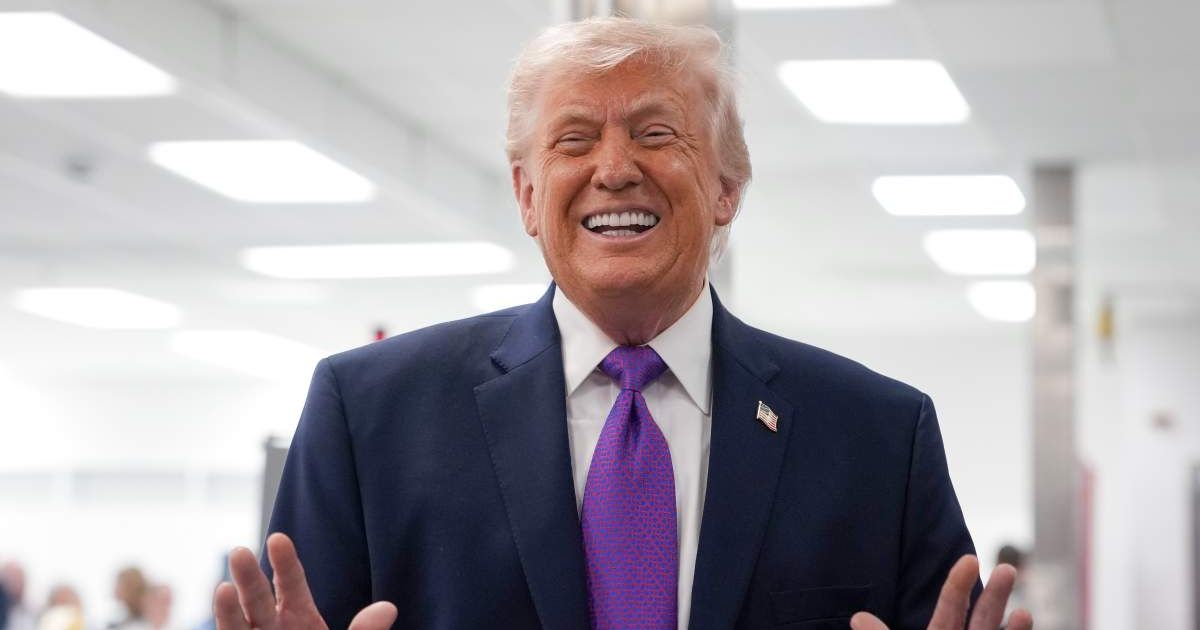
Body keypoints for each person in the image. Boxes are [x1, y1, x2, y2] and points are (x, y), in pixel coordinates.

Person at [213, 17, 1033, 630]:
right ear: (529, 197)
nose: (614, 170)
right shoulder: (369, 415)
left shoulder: (879, 436)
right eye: (573, 141)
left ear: (725, 189)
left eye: (656, 134)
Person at [0, 562, 34, 630]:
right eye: (13, 578)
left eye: (21, 580)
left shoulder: (28, 611)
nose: (19, 585)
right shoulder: (3, 609)